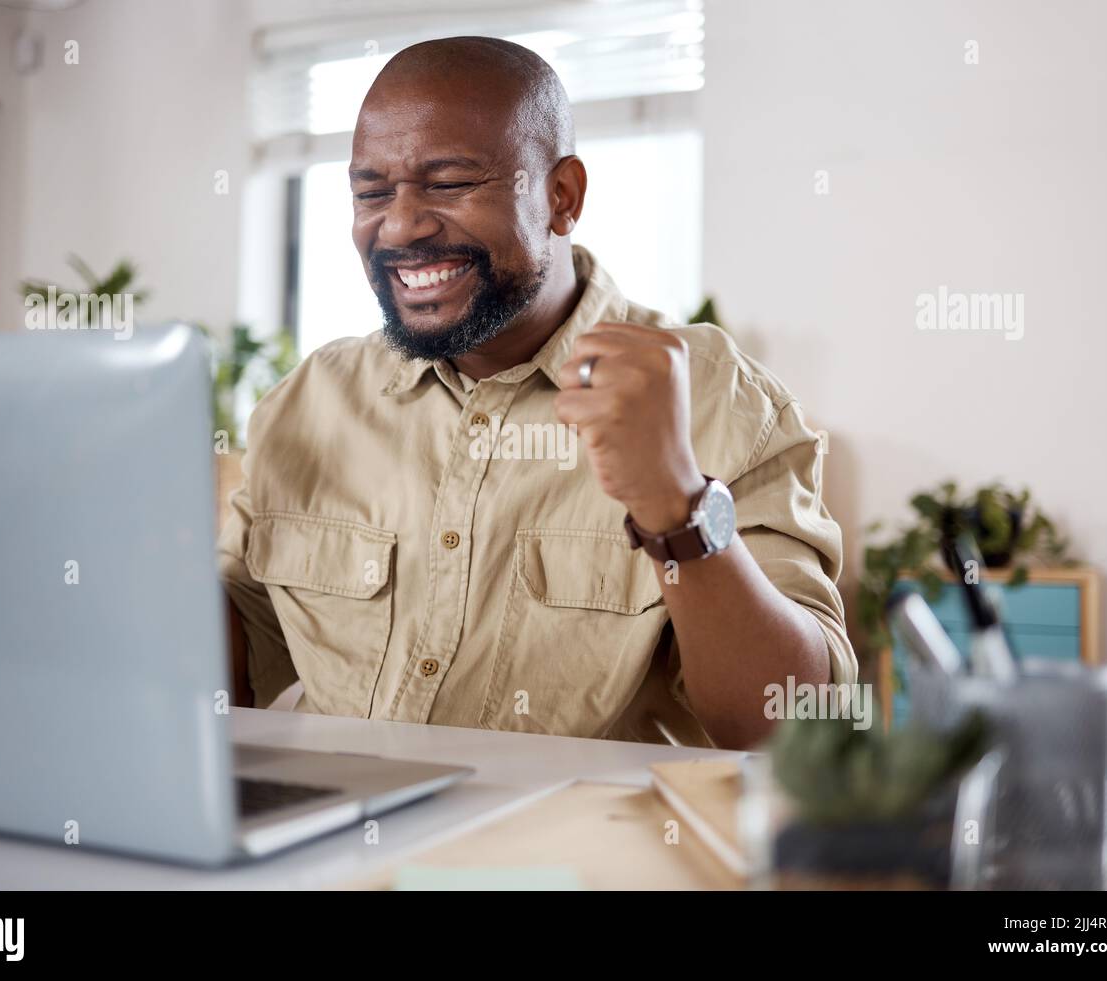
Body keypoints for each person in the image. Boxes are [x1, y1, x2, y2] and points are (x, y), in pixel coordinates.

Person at [218, 36, 855, 750]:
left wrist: (678, 504)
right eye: (371, 191)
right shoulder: (312, 400)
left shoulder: (718, 398)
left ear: (561, 196)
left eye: (450, 183)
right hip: (331, 846)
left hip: (581, 855)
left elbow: (799, 726)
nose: (399, 225)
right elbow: (228, 670)